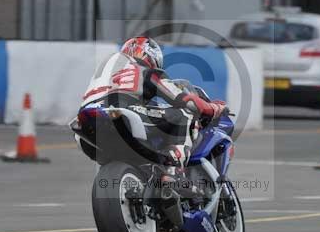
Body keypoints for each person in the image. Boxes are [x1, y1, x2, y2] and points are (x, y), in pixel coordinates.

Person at [82, 37, 226, 185]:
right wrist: (213, 108)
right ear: (151, 55)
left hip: (87, 119)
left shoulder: (109, 70)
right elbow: (183, 100)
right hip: (123, 110)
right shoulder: (146, 70)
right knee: (184, 115)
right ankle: (173, 172)